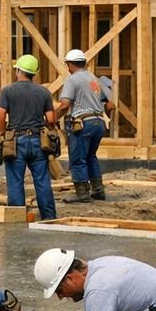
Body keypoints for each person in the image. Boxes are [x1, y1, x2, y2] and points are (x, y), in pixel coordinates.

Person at [0, 55, 57, 221]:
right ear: (33, 73)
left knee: (15, 181)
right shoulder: (44, 92)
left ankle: (16, 218)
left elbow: (0, 117)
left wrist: (2, 134)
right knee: (42, 181)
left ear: (18, 71)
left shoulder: (8, 91)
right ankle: (49, 218)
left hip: (16, 142)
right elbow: (51, 119)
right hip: (38, 141)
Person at [54, 49, 110, 202]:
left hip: (83, 123)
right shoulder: (94, 79)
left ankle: (82, 193)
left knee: (78, 159)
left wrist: (52, 119)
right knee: (91, 156)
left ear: (70, 64)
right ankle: (98, 190)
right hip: (98, 123)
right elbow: (109, 102)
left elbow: (65, 104)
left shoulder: (73, 80)